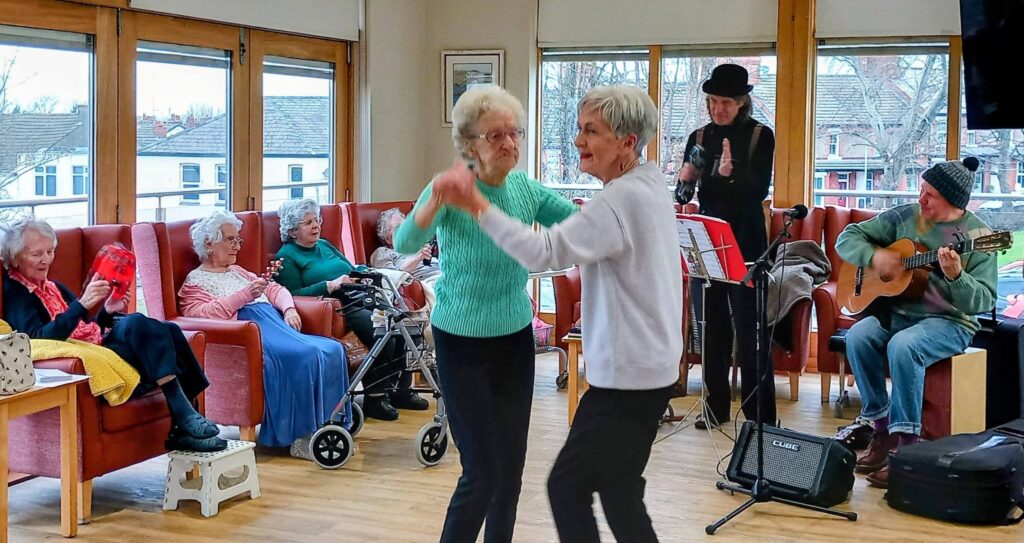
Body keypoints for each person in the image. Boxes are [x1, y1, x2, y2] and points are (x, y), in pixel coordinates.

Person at [436, 84, 682, 543]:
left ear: (627, 142)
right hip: (649, 368)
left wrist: (478, 206)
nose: (578, 142)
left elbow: (540, 252)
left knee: (567, 487)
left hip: (630, 377)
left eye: (591, 131)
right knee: (619, 491)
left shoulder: (619, 199)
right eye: (578, 129)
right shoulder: (649, 183)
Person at [393, 85, 577, 543]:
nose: (511, 143)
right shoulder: (452, 188)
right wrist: (436, 199)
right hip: (460, 341)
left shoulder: (525, 188)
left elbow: (576, 221)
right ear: (470, 143)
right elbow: (404, 246)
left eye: (514, 132)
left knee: (511, 470)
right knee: (481, 472)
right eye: (497, 136)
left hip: (514, 340)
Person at [837, 157, 996, 488]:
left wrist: (957, 277)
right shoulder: (905, 217)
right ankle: (880, 429)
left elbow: (983, 301)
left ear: (952, 201)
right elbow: (847, 237)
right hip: (898, 312)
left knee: (904, 345)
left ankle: (906, 449)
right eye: (921, 190)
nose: (920, 199)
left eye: (930, 194)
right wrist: (875, 257)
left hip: (951, 323)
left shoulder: (979, 236)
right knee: (859, 336)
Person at [0, 217, 224, 452]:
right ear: (15, 257)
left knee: (170, 330)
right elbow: (38, 338)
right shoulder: (16, 293)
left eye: (50, 251)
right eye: (37, 254)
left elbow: (85, 329)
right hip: (88, 364)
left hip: (97, 348)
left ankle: (186, 422)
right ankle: (184, 414)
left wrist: (107, 310)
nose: (46, 259)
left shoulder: (54, 287)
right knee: (136, 322)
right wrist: (81, 304)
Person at [178, 210, 350, 460]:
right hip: (252, 333)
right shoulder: (195, 282)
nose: (237, 246)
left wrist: (289, 309)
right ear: (209, 243)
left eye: (238, 239)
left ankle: (330, 426)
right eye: (230, 240)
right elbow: (201, 314)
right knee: (306, 355)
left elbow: (274, 288)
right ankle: (299, 436)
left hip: (275, 323)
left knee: (332, 349)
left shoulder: (239, 272)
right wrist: (245, 295)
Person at [676, 63, 777, 429]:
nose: (718, 109)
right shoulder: (699, 136)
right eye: (713, 101)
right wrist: (686, 179)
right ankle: (715, 407)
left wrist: (727, 177)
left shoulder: (760, 136)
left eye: (726, 103)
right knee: (711, 328)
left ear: (742, 102)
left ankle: (759, 416)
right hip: (708, 240)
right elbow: (685, 194)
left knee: (751, 332)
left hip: (747, 241)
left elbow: (759, 191)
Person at [273, 198, 427, 421]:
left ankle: (400, 390)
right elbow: (293, 293)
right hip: (339, 304)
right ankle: (376, 397)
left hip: (361, 295)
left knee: (404, 326)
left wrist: (365, 274)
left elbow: (352, 267)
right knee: (384, 334)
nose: (316, 225)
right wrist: (329, 285)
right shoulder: (286, 257)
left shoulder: (324, 245)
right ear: (292, 231)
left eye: (317, 220)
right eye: (308, 223)